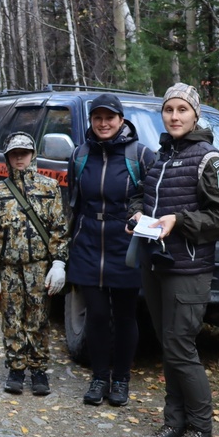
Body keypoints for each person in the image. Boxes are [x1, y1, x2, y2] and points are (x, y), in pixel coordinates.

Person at [135, 84, 219, 437]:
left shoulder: (209, 159)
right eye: (169, 110)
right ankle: (174, 422)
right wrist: (136, 215)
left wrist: (179, 220)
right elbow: (144, 196)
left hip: (188, 268)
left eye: (182, 110)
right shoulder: (162, 156)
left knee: (181, 347)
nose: (174, 116)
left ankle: (201, 430)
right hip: (156, 264)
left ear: (195, 115)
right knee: (169, 347)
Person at [66, 94, 156, 406]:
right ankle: (99, 377)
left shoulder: (140, 155)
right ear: (91, 121)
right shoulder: (80, 155)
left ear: (121, 119)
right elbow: (73, 202)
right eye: (97, 118)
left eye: (109, 118)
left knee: (125, 315)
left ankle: (121, 380)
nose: (103, 124)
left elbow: (152, 199)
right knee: (97, 314)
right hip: (88, 243)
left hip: (125, 245)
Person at [0, 132, 69, 396]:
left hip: (39, 267)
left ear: (33, 155)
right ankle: (16, 369)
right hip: (8, 268)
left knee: (39, 319)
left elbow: (59, 228)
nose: (19, 158)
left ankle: (38, 369)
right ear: (7, 158)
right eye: (14, 154)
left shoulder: (49, 188)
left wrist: (59, 263)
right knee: (11, 318)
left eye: (24, 153)